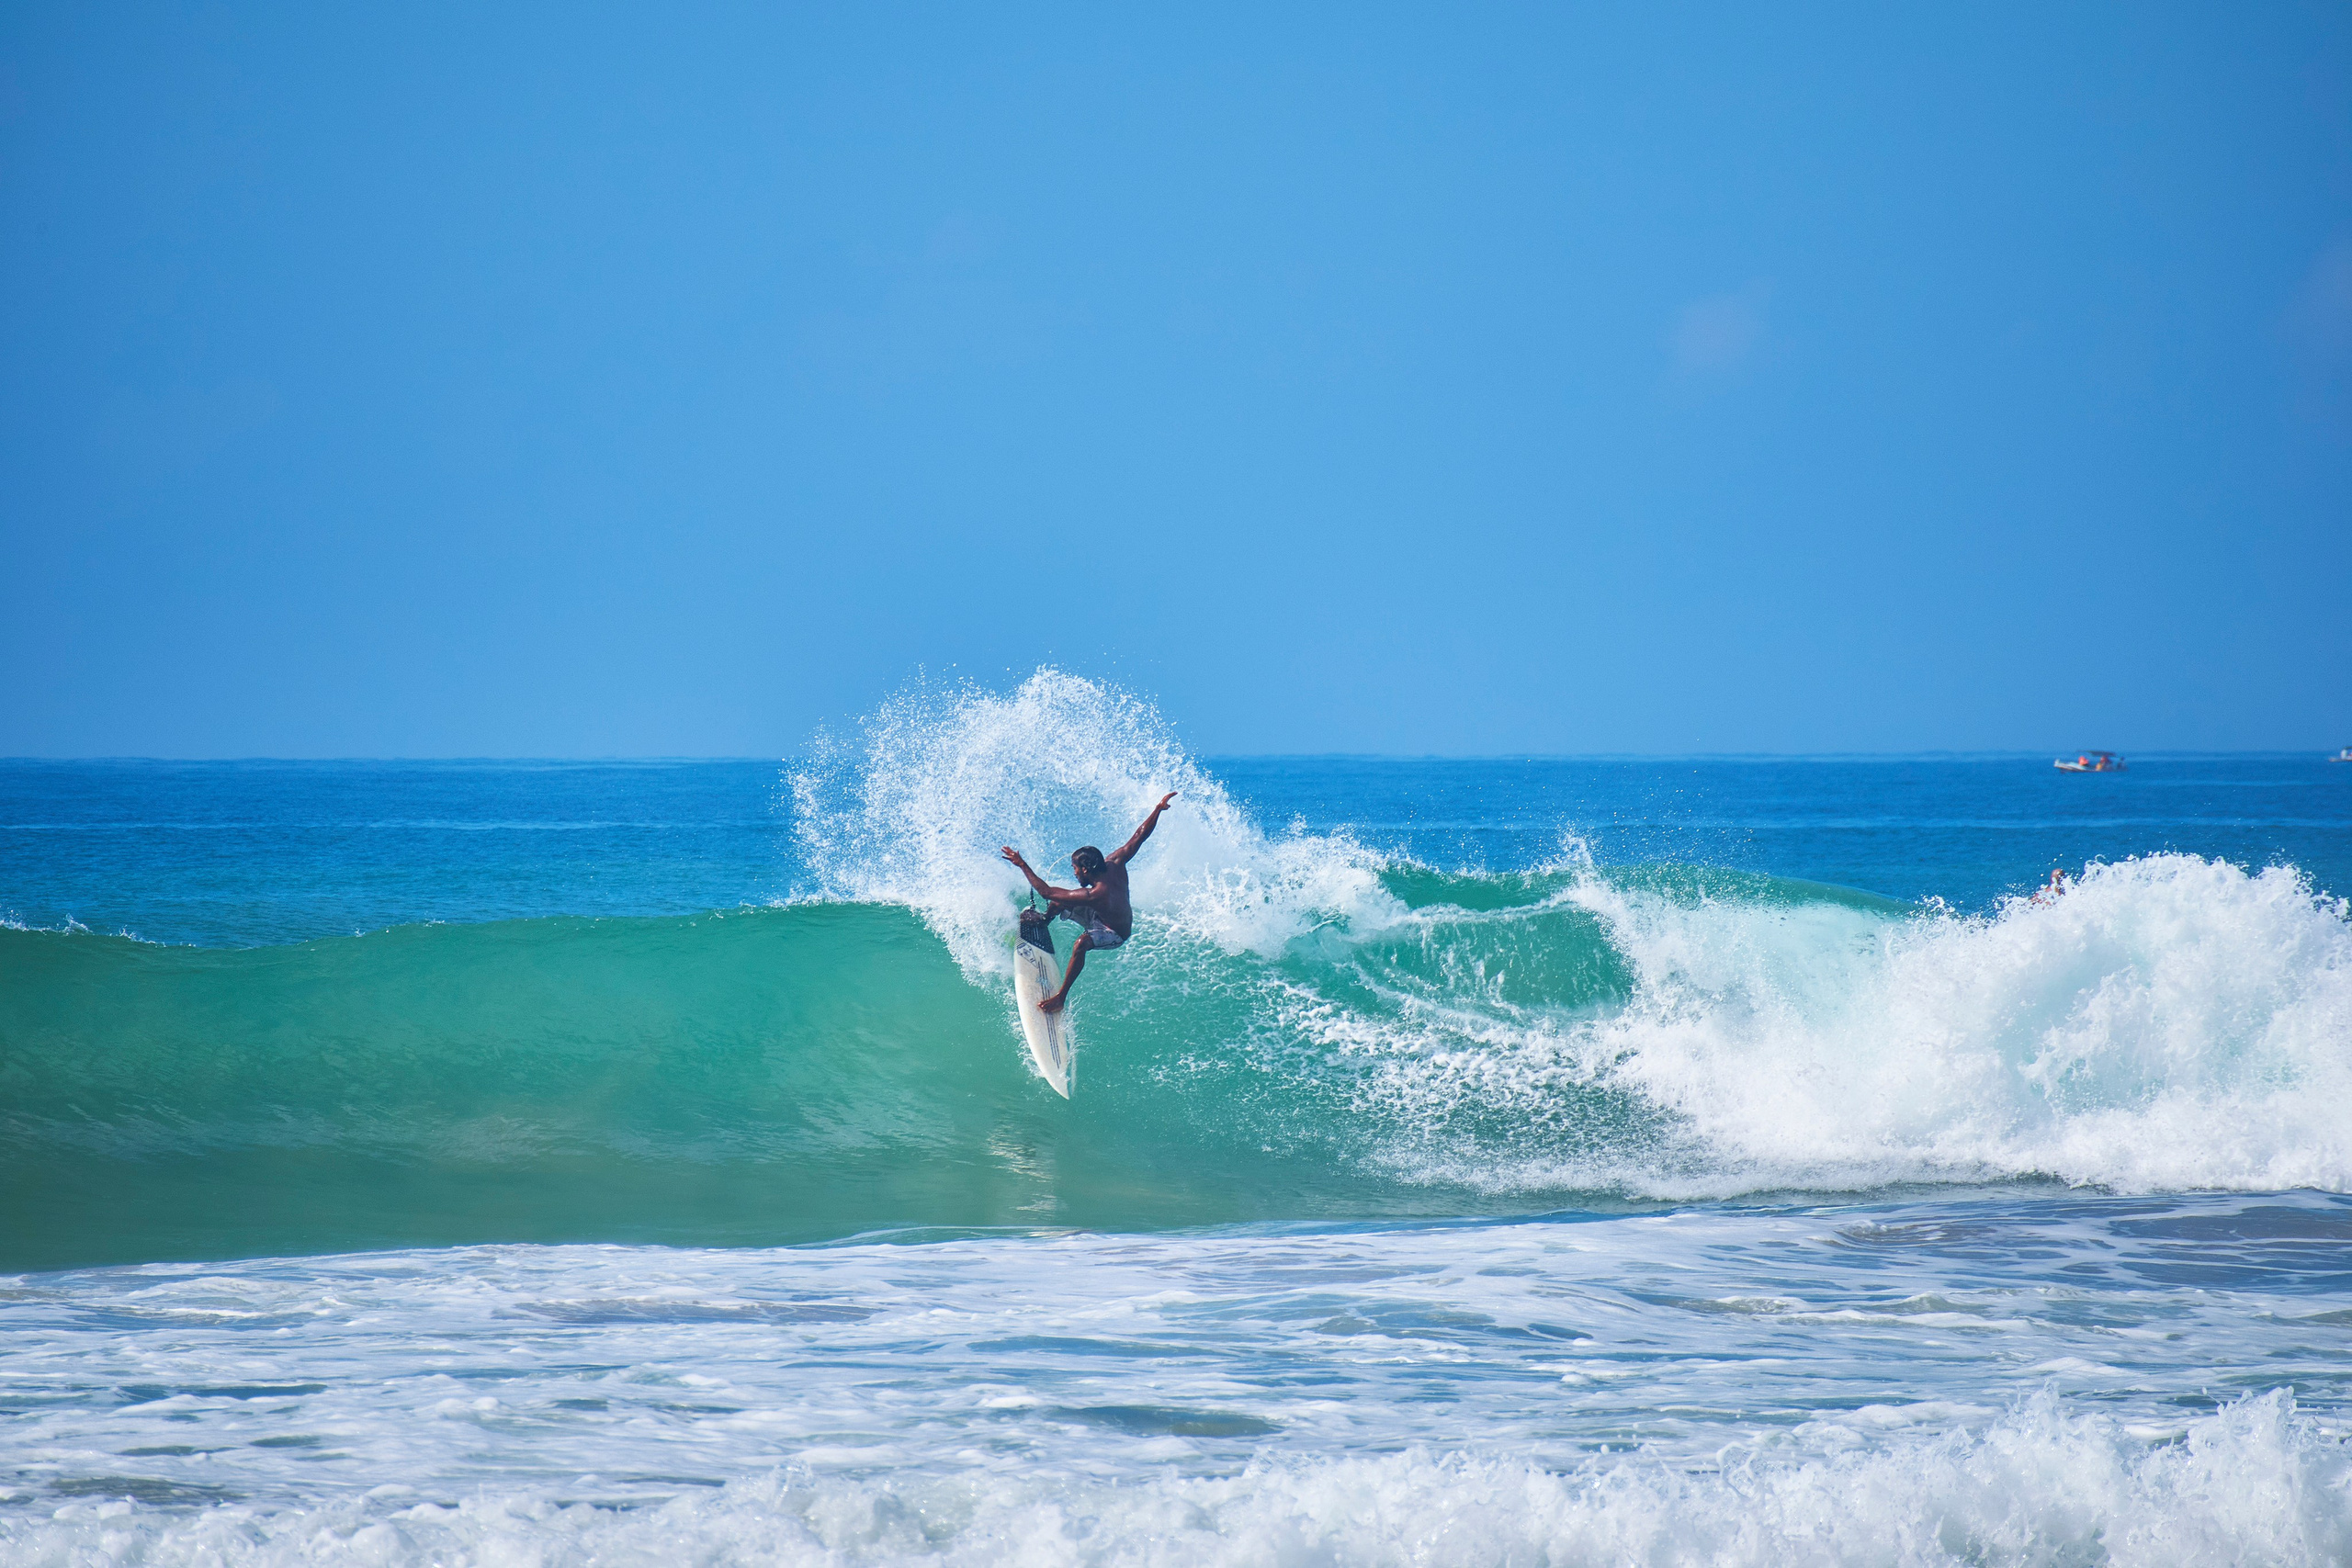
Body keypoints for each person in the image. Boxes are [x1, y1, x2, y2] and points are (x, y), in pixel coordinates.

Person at [1001, 791, 1177, 1013]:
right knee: (1061, 900)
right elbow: (1139, 836)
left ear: (1085, 869)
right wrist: (1157, 809)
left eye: (1075, 869)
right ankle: (1045, 920)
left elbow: (1045, 891)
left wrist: (1022, 864)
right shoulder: (1114, 862)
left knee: (1080, 943)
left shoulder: (1095, 894)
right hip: (1101, 913)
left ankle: (1060, 998)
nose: (1074, 873)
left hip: (1115, 932)